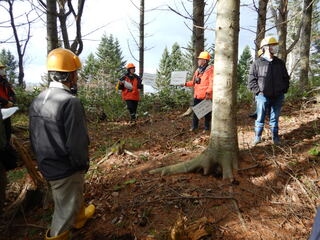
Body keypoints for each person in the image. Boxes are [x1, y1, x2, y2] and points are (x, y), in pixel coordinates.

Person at [29, 48, 95, 240]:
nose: (76, 77)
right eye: (75, 73)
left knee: (71, 195)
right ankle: (61, 232)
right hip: (65, 166)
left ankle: (80, 217)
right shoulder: (70, 102)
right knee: (63, 211)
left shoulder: (37, 99)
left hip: (46, 162)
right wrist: (82, 163)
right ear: (70, 75)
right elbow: (77, 142)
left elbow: (33, 136)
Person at [248, 36, 290, 145]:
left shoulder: (280, 63)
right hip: (262, 96)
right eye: (273, 46)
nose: (275, 47)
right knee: (260, 117)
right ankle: (257, 136)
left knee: (274, 118)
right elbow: (251, 81)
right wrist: (258, 92)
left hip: (278, 96)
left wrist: (283, 90)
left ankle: (275, 137)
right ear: (265, 48)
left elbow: (286, 78)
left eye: (275, 45)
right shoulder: (257, 63)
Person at [185, 51, 214, 131]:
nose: (198, 61)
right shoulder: (198, 70)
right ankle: (194, 127)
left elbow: (212, 82)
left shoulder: (210, 69)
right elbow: (193, 82)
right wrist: (184, 83)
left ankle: (207, 128)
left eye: (200, 59)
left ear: (204, 61)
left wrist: (208, 92)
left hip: (206, 95)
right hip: (197, 95)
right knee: (195, 112)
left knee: (207, 113)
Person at [0, 63, 16, 142]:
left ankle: (7, 146)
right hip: (2, 109)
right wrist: (5, 102)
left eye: (2, 68)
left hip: (7, 111)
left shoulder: (5, 82)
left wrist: (12, 102)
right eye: (0, 68)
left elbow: (12, 94)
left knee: (7, 131)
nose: (2, 70)